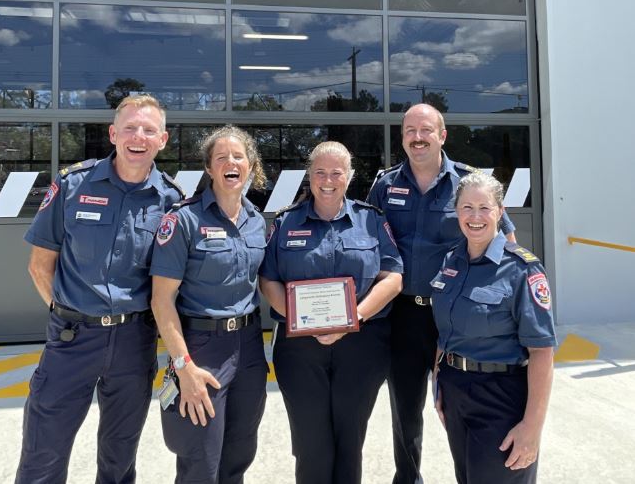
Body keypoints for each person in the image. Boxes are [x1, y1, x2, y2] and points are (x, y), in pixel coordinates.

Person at [16, 94, 183, 484]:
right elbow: (40, 266)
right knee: (44, 450)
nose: (137, 136)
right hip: (73, 337)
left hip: (134, 340)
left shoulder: (172, 201)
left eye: (148, 130)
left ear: (163, 139)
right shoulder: (73, 185)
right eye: (129, 128)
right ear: (113, 133)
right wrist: (66, 313)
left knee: (119, 455)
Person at [367, 102, 517, 484]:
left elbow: (506, 240)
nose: (418, 139)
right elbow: (366, 244)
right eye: (410, 132)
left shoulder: (467, 183)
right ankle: (408, 479)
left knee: (458, 406)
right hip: (402, 316)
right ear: (402, 137)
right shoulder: (385, 185)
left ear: (442, 135)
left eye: (426, 131)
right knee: (405, 409)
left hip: (455, 316)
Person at [259, 141, 403, 484]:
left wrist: (354, 317)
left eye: (336, 172)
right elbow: (268, 279)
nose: (328, 180)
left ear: (349, 177)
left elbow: (393, 277)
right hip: (300, 349)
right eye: (320, 172)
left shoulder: (371, 220)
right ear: (309, 176)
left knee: (350, 438)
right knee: (311, 441)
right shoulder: (286, 222)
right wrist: (297, 317)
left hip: (362, 345)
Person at [150, 125, 268, 484]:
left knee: (239, 453)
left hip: (248, 348)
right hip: (202, 348)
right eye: (221, 157)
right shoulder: (183, 219)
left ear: (250, 165)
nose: (230, 162)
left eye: (238, 156)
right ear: (209, 168)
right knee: (200, 460)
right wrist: (183, 366)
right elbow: (161, 300)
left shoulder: (256, 222)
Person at [431, 170, 556, 483]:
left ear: (500, 212)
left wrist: (532, 428)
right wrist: (438, 385)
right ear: (456, 212)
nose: (475, 217)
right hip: (455, 390)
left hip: (501, 398)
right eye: (467, 208)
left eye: (484, 208)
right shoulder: (451, 261)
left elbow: (541, 351)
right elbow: (445, 331)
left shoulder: (522, 269)